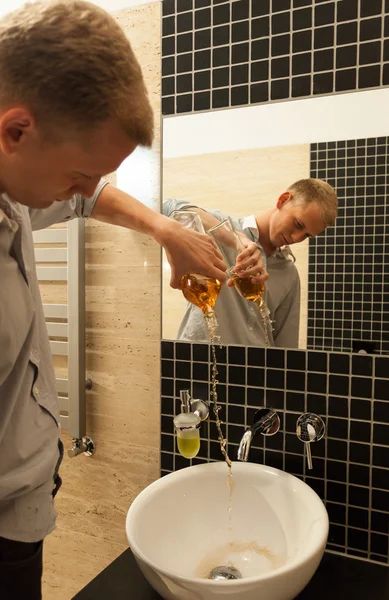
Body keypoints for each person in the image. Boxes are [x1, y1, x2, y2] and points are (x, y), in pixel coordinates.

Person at [0, 2, 270, 598]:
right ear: (15, 130)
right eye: (77, 173)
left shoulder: (15, 194)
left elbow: (86, 199)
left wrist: (166, 231)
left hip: (24, 512)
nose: (79, 192)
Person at [163, 178, 338, 347]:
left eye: (307, 235)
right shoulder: (220, 228)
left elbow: (286, 348)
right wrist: (236, 240)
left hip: (253, 372)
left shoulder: (289, 273)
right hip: (196, 364)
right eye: (298, 224)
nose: (296, 238)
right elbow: (168, 207)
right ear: (283, 200)